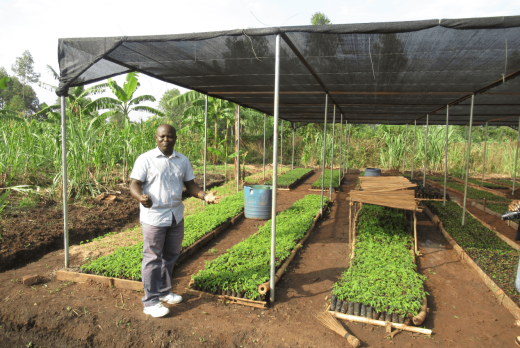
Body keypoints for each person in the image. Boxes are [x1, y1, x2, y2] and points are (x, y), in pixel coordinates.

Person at [130, 124, 217, 318]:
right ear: (156, 138)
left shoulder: (182, 160)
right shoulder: (146, 159)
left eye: (169, 136)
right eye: (162, 136)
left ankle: (163, 292)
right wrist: (141, 197)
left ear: (175, 138)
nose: (165, 140)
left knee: (170, 255)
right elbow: (134, 184)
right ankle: (150, 301)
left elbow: (190, 185)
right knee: (152, 258)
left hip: (175, 216)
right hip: (154, 217)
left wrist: (204, 196)